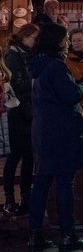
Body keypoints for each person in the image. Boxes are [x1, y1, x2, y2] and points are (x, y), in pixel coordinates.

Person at [27, 22, 83, 252]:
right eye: (65, 39)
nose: (67, 44)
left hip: (44, 130)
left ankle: (35, 234)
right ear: (58, 42)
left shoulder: (38, 65)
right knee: (65, 183)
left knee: (42, 183)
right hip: (61, 132)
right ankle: (68, 234)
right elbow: (70, 95)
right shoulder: (56, 66)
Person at [3, 24, 38, 217]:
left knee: (29, 156)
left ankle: (26, 196)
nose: (35, 41)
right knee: (16, 155)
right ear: (24, 36)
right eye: (33, 37)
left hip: (30, 110)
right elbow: (15, 83)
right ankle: (9, 197)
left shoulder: (28, 54)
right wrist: (34, 82)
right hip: (18, 112)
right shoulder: (14, 56)